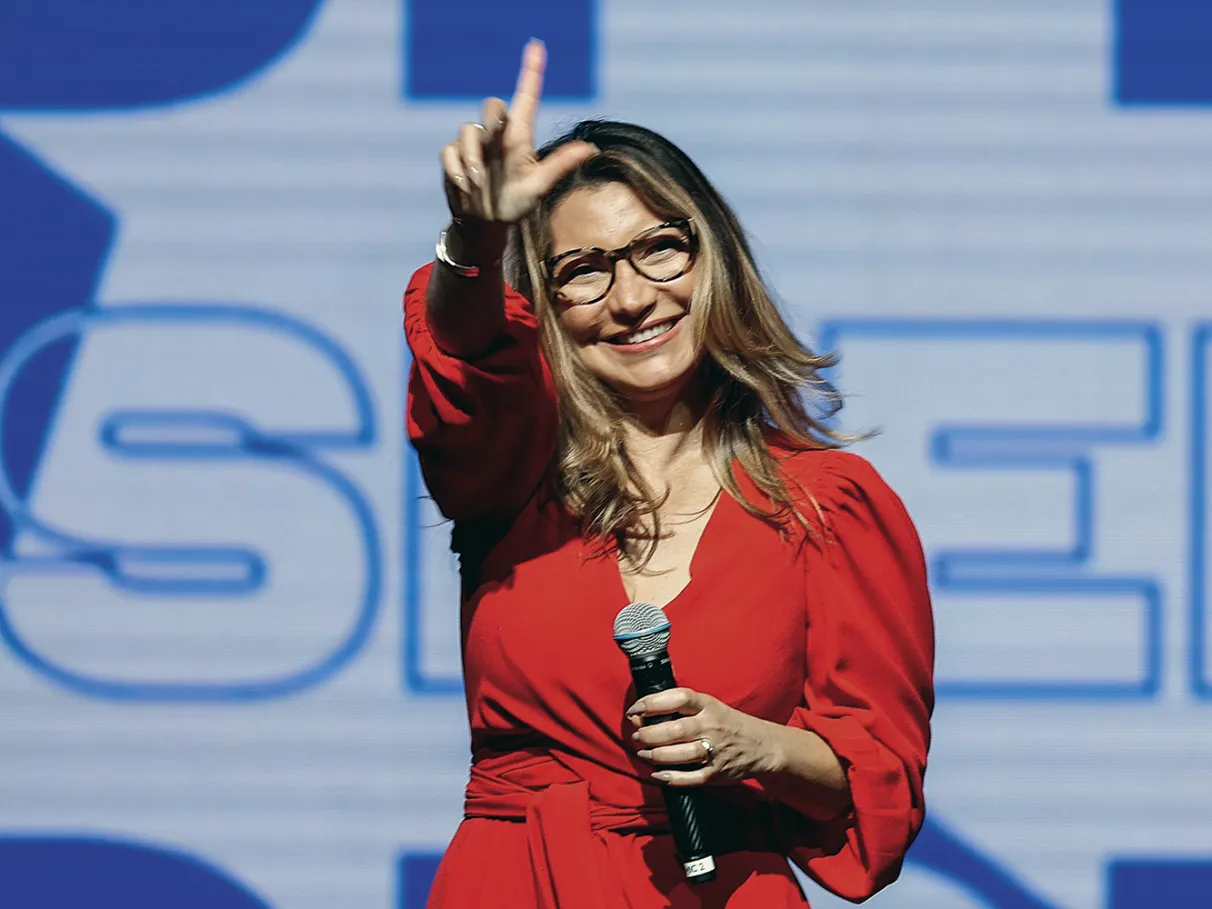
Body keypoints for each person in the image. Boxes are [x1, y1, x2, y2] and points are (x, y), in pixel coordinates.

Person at [404, 40, 934, 909]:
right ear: (543, 304)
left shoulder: (829, 503)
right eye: (583, 271)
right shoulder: (511, 470)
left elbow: (878, 778)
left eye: (659, 249)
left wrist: (759, 745)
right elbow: (463, 355)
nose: (632, 297)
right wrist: (475, 238)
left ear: (712, 256)